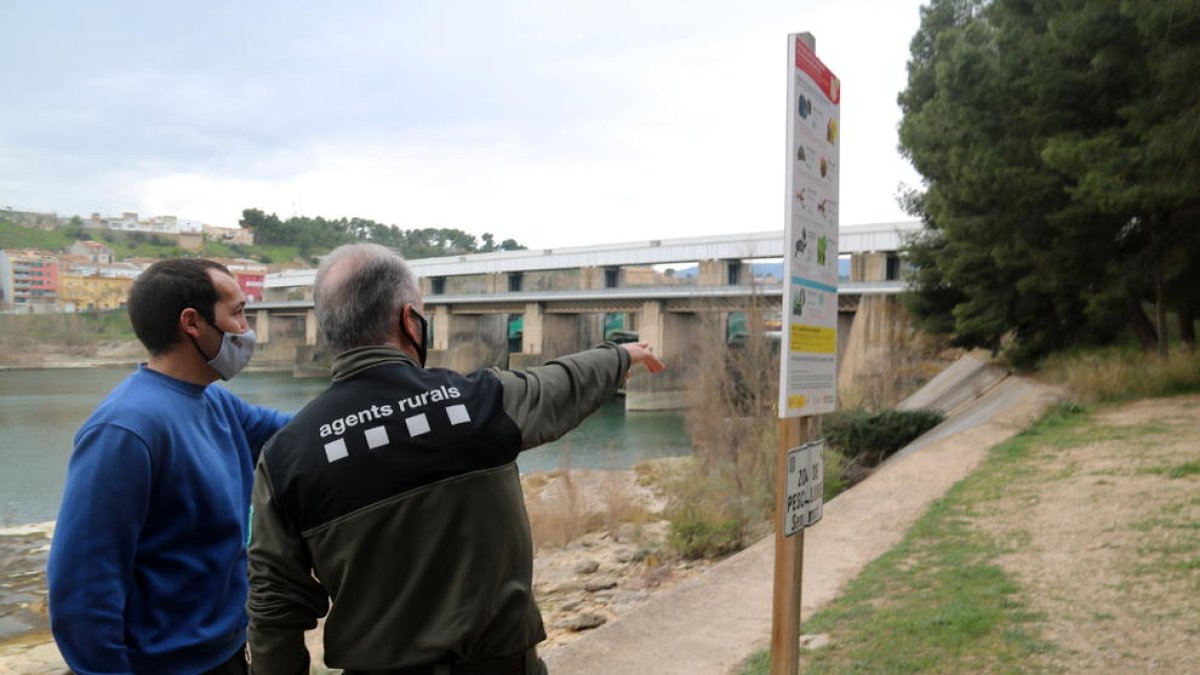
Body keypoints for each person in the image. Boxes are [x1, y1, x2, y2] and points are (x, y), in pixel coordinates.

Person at [246, 243, 665, 674]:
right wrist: (618, 355)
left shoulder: (285, 457)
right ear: (410, 320)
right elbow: (558, 385)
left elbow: (273, 606)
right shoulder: (480, 403)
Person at [47, 258, 292, 674]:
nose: (246, 331)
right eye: (237, 314)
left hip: (225, 654)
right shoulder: (124, 430)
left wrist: (374, 409)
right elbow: (83, 588)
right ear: (192, 323)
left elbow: (296, 438)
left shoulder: (215, 403)